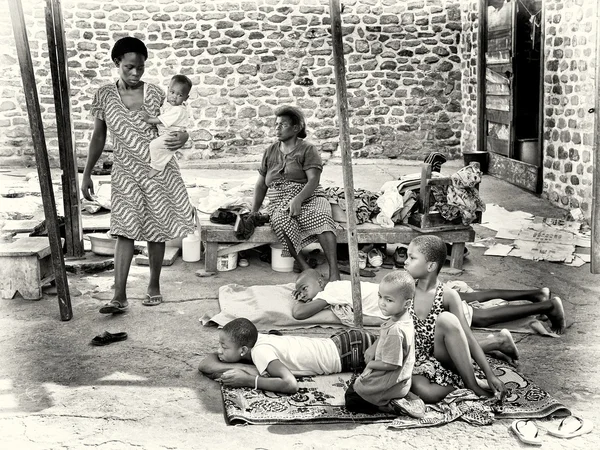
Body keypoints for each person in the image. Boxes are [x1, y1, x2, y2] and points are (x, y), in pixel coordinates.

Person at [81, 37, 194, 313]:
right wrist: (86, 173)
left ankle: (153, 285)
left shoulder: (157, 94)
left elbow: (179, 121)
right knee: (124, 230)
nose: (135, 73)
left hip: (157, 170)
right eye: (129, 67)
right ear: (117, 63)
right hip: (125, 171)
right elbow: (98, 136)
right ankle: (119, 295)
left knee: (156, 229)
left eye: (140, 68)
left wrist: (184, 137)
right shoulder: (104, 95)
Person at [292, 268, 520, 363]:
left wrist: (299, 300)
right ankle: (540, 300)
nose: (301, 294)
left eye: (303, 287)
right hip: (404, 300)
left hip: (408, 305)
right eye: (298, 291)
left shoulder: (330, 290)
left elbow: (299, 314)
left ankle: (499, 340)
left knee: (478, 318)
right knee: (474, 309)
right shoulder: (336, 290)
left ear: (320, 280)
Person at [404, 235, 507, 403]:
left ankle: (472, 384)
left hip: (443, 358)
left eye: (412, 257)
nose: (406, 261)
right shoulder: (406, 289)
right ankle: (461, 388)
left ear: (430, 266)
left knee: (446, 319)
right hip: (417, 361)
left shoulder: (447, 295)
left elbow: (467, 337)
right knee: (424, 392)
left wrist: (490, 374)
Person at [251, 106, 340, 281]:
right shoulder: (270, 151)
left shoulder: (307, 149)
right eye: (276, 124)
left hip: (309, 196)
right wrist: (254, 211)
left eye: (282, 125)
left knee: (322, 216)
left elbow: (313, 179)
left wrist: (298, 199)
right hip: (279, 201)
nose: (277, 128)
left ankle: (334, 272)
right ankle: (305, 267)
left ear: (296, 128)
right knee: (280, 219)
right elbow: (261, 185)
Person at [198, 318, 376, 394]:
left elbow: (290, 384)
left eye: (223, 347)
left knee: (395, 353)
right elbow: (206, 364)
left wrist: (249, 380)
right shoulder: (254, 341)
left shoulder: (261, 351)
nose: (219, 351)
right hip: (343, 341)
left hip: (353, 351)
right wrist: (243, 368)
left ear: (243, 350)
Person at [345, 271, 424, 418]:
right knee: (357, 383)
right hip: (401, 381)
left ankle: (388, 405)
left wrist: (371, 365)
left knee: (351, 398)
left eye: (389, 300)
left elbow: (392, 364)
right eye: (380, 296)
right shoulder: (404, 320)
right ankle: (397, 397)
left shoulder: (396, 331)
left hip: (391, 382)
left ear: (407, 303)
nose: (382, 302)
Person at [139, 74, 193, 178]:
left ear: (186, 97)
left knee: (154, 145)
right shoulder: (168, 102)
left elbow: (160, 120)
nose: (174, 97)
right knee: (163, 151)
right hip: (166, 134)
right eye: (172, 92)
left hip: (170, 135)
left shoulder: (177, 110)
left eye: (179, 95)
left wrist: (148, 119)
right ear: (168, 90)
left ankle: (157, 167)